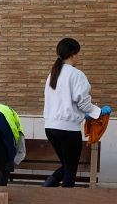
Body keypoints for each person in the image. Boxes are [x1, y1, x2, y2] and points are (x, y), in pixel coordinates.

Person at [43, 37, 112, 188]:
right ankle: (65, 203)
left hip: (50, 127)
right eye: (78, 54)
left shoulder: (52, 75)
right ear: (73, 53)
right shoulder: (76, 74)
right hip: (68, 129)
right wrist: (99, 112)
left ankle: (46, 188)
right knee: (70, 170)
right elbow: (83, 102)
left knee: (67, 165)